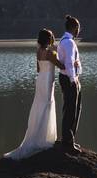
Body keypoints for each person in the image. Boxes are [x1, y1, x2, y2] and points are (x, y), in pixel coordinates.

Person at [4, 29, 66, 160]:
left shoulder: (39, 52)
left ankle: (37, 136)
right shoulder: (50, 53)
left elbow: (38, 69)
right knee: (47, 105)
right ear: (49, 39)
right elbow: (62, 66)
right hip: (48, 80)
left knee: (39, 105)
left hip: (40, 79)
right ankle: (45, 139)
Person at [57, 15, 83, 152]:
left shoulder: (66, 40)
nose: (79, 30)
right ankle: (67, 141)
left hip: (69, 78)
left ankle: (70, 138)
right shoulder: (69, 42)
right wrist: (74, 80)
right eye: (78, 27)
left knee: (75, 108)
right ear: (74, 28)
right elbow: (68, 63)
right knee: (71, 110)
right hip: (69, 79)